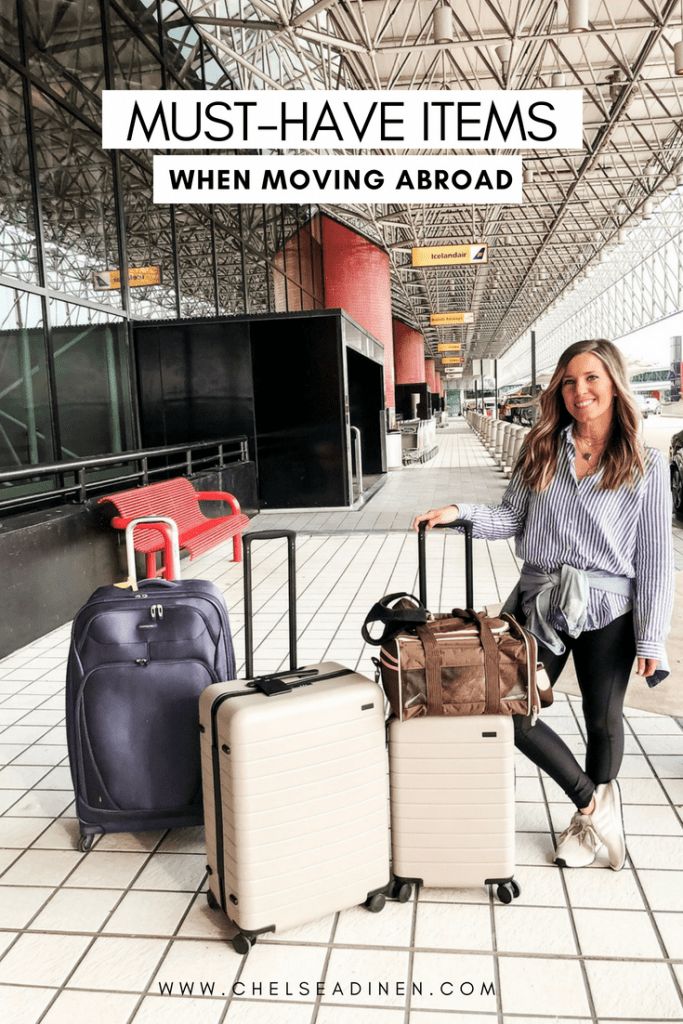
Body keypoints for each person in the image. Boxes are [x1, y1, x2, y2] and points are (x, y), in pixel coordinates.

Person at [412, 339, 674, 871]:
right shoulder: (541, 448)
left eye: (592, 379)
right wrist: (459, 512)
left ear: (613, 384)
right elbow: (512, 518)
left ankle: (585, 824)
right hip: (541, 602)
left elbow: (653, 558)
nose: (581, 391)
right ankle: (592, 804)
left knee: (602, 718)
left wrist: (651, 636)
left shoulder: (644, 463)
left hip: (611, 607)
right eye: (571, 381)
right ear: (559, 388)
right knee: (510, 704)